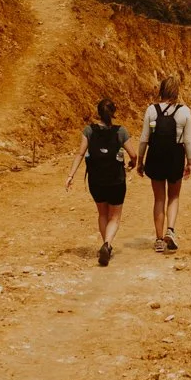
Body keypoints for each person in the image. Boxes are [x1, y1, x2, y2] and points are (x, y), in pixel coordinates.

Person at [65, 98, 137, 266]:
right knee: (115, 217)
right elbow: (133, 155)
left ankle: (105, 245)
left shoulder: (89, 130)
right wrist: (132, 164)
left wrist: (70, 175)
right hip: (116, 180)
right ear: (113, 113)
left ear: (98, 112)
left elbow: (80, 154)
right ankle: (107, 244)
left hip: (96, 181)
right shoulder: (121, 132)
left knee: (103, 214)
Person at [136, 75, 191, 253]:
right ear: (177, 91)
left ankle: (159, 239)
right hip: (176, 156)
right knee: (174, 196)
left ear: (161, 90)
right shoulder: (185, 112)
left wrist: (140, 161)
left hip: (156, 156)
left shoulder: (151, 110)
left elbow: (144, 139)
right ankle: (171, 229)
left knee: (159, 198)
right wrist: (190, 162)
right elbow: (188, 140)